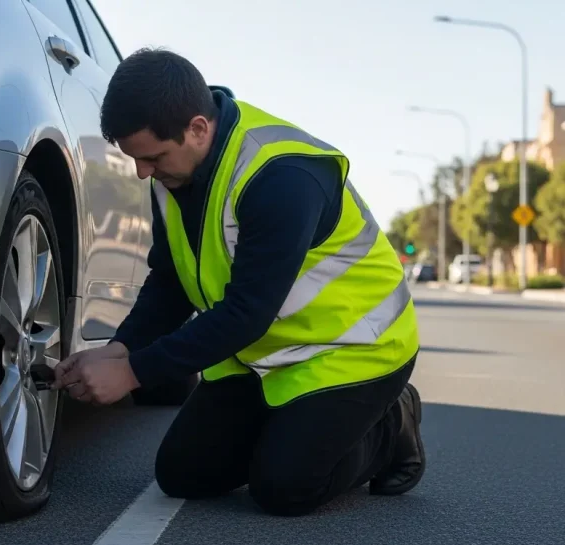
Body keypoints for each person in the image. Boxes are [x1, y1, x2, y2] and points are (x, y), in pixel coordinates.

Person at [51, 48, 425, 516]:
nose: (143, 172)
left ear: (198, 128)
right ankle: (297, 429)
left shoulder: (282, 176)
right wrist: (120, 348)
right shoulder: (170, 173)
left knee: (285, 488)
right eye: (135, 159)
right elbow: (169, 281)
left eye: (152, 157)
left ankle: (391, 424)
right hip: (262, 353)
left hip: (352, 351)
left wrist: (131, 373)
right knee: (184, 475)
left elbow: (247, 311)